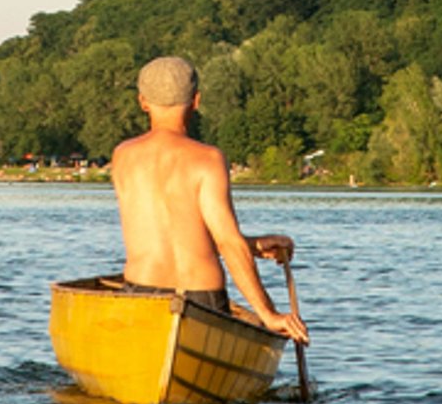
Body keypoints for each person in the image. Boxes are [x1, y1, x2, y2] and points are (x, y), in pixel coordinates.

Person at [109, 56, 309, 343]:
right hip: (203, 300)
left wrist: (252, 246)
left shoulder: (123, 156)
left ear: (143, 102)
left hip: (142, 294)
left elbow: (172, 235)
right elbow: (225, 241)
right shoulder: (208, 160)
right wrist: (267, 314)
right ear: (197, 100)